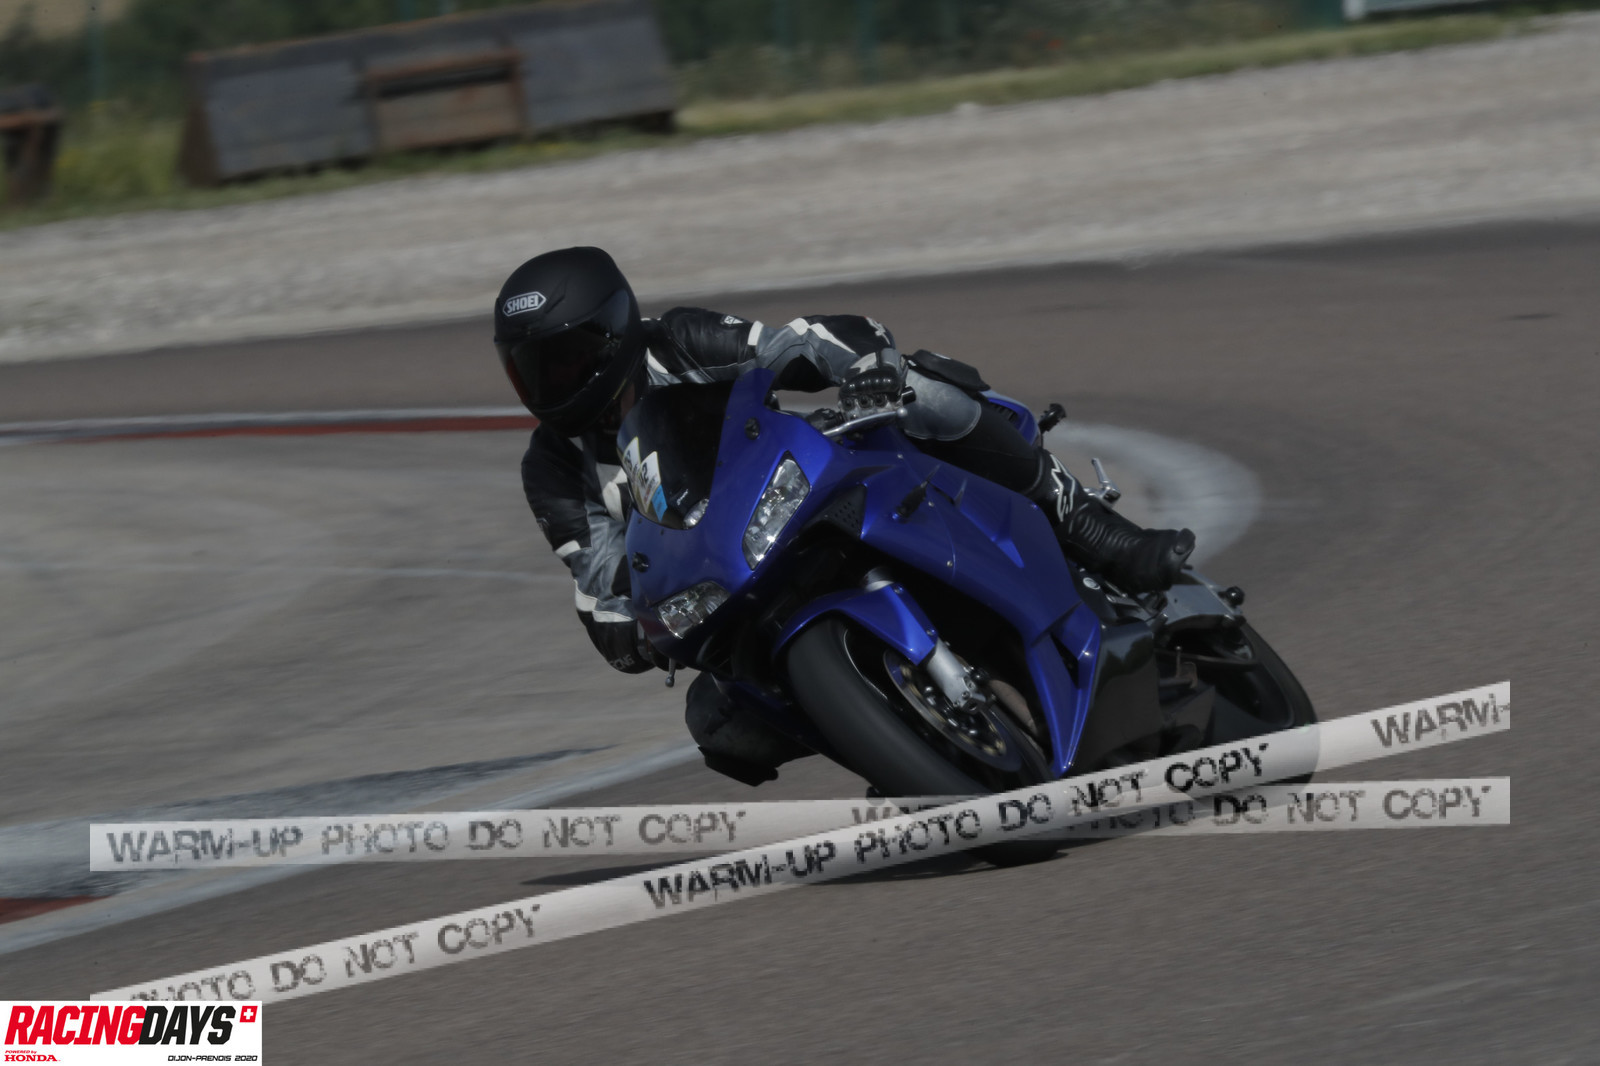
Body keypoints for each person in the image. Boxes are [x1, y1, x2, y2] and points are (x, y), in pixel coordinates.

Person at [495, 246, 1194, 781]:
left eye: (566, 360)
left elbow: (798, 343)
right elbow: (598, 573)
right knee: (720, 728)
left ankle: (1091, 528)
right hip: (721, 585)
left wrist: (864, 370)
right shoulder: (551, 468)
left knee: (923, 390)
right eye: (532, 370)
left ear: (613, 332)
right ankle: (901, 746)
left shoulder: (678, 342)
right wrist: (627, 629)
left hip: (790, 498)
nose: (551, 384)